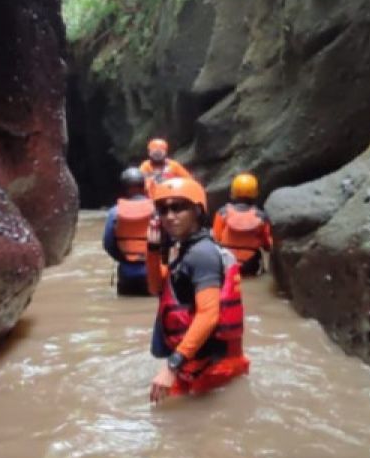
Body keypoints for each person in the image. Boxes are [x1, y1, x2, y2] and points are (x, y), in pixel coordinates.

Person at [146, 177, 249, 403]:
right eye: (163, 209)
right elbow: (156, 287)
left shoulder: (201, 255)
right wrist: (153, 252)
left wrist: (171, 366)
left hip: (211, 367)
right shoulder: (184, 249)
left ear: (197, 210)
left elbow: (209, 315)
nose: (170, 216)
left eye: (178, 207)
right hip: (195, 363)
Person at [103, 168, 155, 296]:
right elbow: (169, 239)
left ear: (123, 189)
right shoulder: (158, 210)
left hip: (127, 273)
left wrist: (124, 258)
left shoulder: (114, 212)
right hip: (154, 272)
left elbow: (108, 244)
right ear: (143, 187)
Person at [212, 173, 273, 277]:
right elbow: (267, 245)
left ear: (233, 193)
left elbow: (216, 238)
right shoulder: (261, 217)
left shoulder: (222, 213)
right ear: (255, 193)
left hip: (227, 262)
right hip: (251, 264)